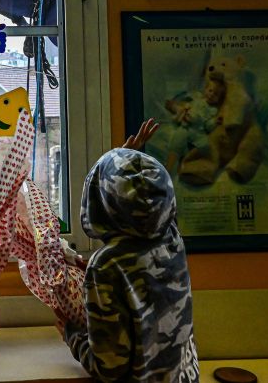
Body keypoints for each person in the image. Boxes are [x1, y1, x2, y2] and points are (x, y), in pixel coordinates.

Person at [57, 120, 199, 383]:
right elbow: (148, 204)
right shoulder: (171, 237)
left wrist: (72, 335)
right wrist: (123, 160)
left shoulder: (107, 265)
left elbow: (109, 368)